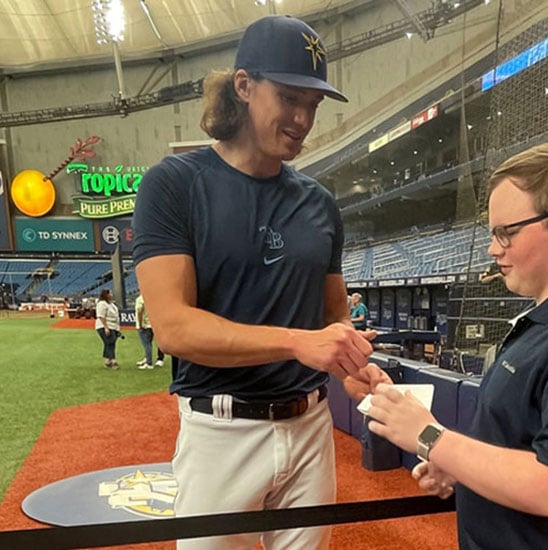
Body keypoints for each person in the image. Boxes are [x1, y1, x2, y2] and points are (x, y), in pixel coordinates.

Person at [132, 15, 390, 550]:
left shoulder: (319, 203)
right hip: (219, 433)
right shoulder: (174, 184)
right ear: (244, 86)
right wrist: (297, 342)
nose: (302, 119)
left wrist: (351, 366)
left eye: (313, 105)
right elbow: (175, 329)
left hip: (310, 427)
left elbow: (332, 315)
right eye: (291, 98)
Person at [367, 141, 548, 549]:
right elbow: (520, 445)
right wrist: (456, 467)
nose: (493, 249)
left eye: (506, 232)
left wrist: (430, 438)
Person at [134, 294, 164, 369]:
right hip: (153, 324)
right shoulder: (153, 298)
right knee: (152, 343)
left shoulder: (140, 299)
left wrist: (140, 324)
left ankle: (149, 362)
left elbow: (139, 311)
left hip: (145, 325)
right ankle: (149, 359)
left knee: (147, 344)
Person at [95, 289, 120, 370]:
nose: (112, 294)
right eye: (110, 293)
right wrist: (106, 327)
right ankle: (113, 360)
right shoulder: (102, 304)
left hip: (113, 326)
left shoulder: (111, 304)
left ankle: (108, 360)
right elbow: (101, 316)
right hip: (104, 325)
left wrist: (117, 328)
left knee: (110, 343)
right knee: (110, 342)